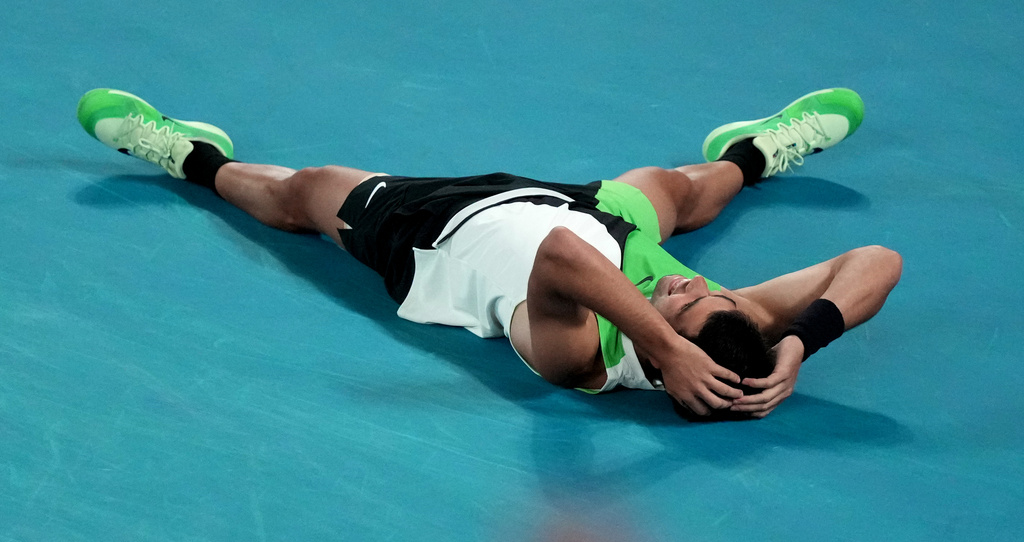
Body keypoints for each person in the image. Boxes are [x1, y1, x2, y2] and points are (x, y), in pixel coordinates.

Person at [76, 87, 901, 419]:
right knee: (677, 190)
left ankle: (191, 157)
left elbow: (557, 261)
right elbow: (877, 259)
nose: (689, 285)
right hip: (596, 215)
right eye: (708, 294)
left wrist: (664, 336)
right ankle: (755, 153)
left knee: (304, 195)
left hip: (446, 230)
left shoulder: (578, 357)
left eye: (683, 302)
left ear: (662, 358)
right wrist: (801, 336)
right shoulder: (723, 319)